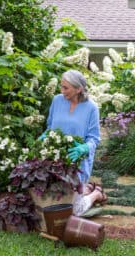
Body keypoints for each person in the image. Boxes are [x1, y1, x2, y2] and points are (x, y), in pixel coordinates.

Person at [39, 69, 107, 216]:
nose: (62, 91)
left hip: (78, 162)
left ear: (79, 89)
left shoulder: (91, 108)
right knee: (51, 203)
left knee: (73, 211)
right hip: (54, 159)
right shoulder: (57, 101)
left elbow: (94, 138)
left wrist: (84, 148)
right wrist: (43, 138)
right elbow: (50, 127)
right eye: (61, 86)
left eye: (66, 88)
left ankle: (96, 193)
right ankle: (85, 189)